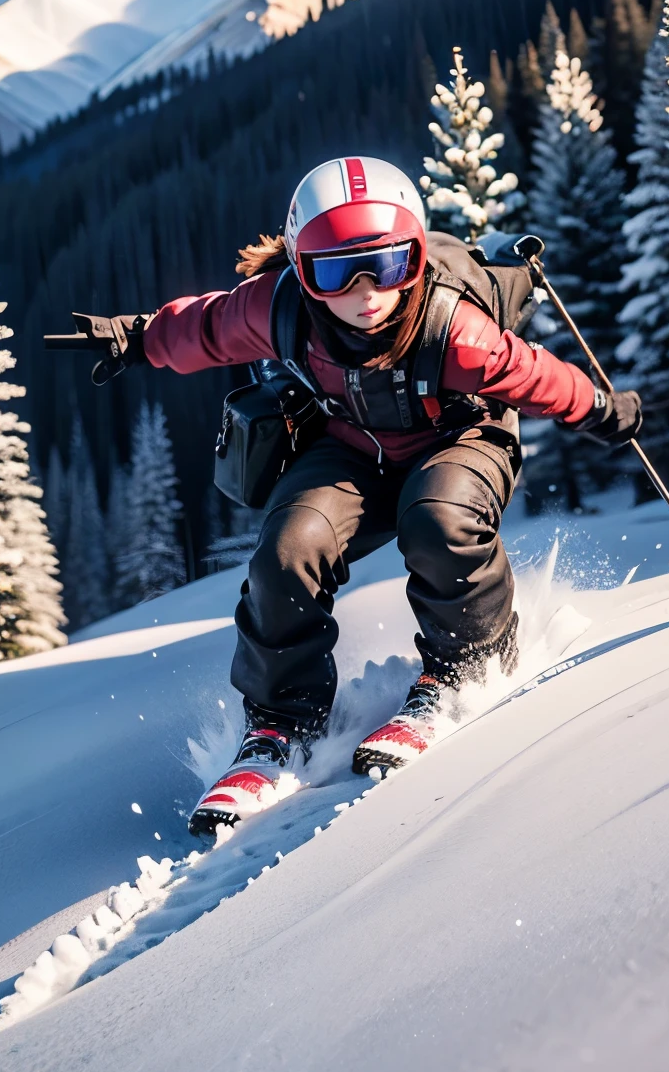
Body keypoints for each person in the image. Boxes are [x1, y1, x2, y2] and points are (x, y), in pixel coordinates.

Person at [92, 157, 640, 837]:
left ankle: (464, 665)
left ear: (414, 254)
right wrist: (138, 338)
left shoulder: (451, 328)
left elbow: (530, 375)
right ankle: (280, 723)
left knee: (437, 519)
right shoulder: (282, 307)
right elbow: (206, 327)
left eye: (385, 265)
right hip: (352, 446)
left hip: (458, 434)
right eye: (333, 272)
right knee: (288, 548)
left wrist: (600, 408)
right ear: (300, 269)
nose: (363, 291)